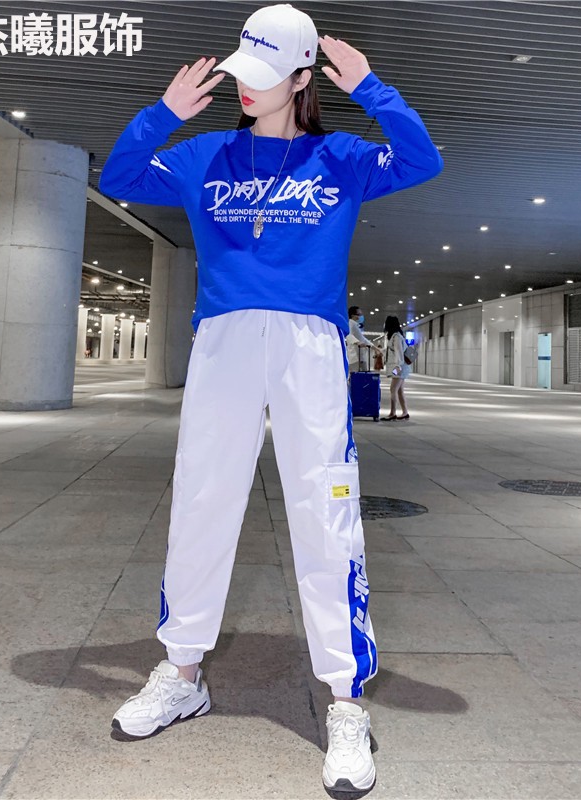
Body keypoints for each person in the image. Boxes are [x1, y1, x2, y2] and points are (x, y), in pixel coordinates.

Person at [99, 4, 443, 794]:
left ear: (300, 79)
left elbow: (422, 161)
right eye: (241, 74)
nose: (246, 88)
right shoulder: (204, 154)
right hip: (223, 341)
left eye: (264, 76)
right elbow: (118, 179)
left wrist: (374, 90)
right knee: (202, 500)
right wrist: (161, 116)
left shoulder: (340, 157)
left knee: (325, 510)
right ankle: (182, 672)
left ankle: (345, 700)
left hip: (307, 344)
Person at [382, 316, 409, 420]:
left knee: (393, 389)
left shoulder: (396, 337)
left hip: (399, 367)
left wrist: (397, 369)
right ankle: (405, 412)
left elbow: (399, 352)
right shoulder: (394, 336)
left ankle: (392, 413)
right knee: (399, 390)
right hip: (400, 366)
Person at [346, 306, 381, 372]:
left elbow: (363, 339)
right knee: (357, 376)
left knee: (362, 375)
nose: (361, 316)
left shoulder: (356, 325)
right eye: (359, 314)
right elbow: (348, 335)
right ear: (352, 315)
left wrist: (375, 348)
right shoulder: (350, 324)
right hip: (355, 357)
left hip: (359, 357)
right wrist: (357, 342)